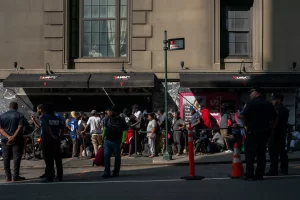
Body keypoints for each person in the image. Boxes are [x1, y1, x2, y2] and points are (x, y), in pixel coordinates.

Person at [238, 87, 277, 181]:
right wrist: (271, 129)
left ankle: (249, 174)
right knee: (261, 154)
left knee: (249, 154)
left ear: (257, 93)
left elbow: (242, 115)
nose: (250, 94)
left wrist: (240, 114)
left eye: (252, 92)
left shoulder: (251, 103)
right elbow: (275, 117)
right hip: (264, 133)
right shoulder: (268, 103)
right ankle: (259, 174)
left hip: (253, 132)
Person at [0, 102, 25, 182]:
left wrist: (8, 137)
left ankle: (8, 176)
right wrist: (13, 137)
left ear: (9, 107)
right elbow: (20, 127)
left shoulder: (2, 116)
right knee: (17, 158)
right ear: (16, 107)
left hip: (5, 140)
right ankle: (15, 176)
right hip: (17, 139)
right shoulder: (20, 115)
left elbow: (1, 129)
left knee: (6, 158)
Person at [39, 103, 64, 182]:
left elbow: (47, 128)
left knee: (49, 159)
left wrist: (52, 135)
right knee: (58, 159)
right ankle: (59, 176)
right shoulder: (57, 118)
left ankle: (49, 176)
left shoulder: (44, 117)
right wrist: (59, 137)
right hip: (56, 141)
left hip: (47, 140)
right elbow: (62, 128)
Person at [266, 94, 289, 176]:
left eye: (273, 99)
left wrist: (271, 130)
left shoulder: (277, 109)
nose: (272, 101)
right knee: (282, 152)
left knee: (273, 153)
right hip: (282, 133)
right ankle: (284, 170)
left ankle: (273, 170)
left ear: (278, 100)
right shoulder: (285, 109)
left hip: (275, 133)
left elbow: (275, 121)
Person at [102, 106, 127, 178]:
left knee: (117, 157)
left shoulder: (121, 120)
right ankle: (107, 172)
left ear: (114, 112)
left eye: (109, 111)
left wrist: (123, 142)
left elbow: (124, 131)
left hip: (117, 142)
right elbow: (105, 128)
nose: (107, 112)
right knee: (106, 156)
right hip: (107, 141)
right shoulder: (107, 119)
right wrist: (102, 137)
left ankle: (116, 172)